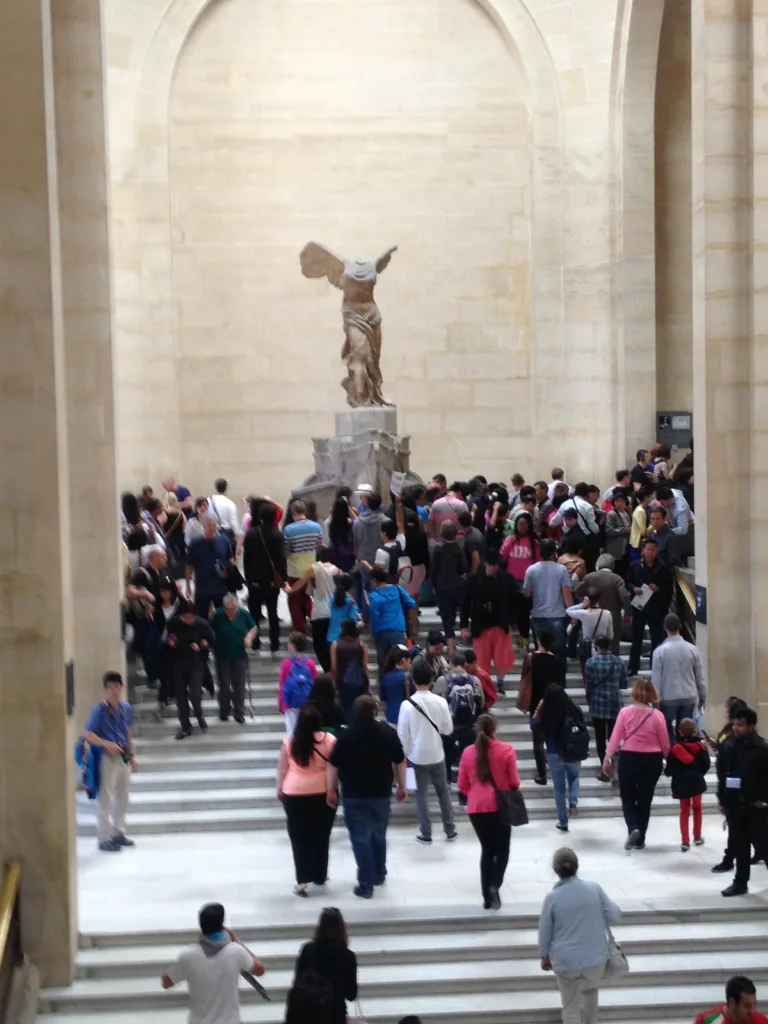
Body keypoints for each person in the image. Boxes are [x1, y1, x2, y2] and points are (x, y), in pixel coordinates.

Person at [327, 694, 407, 898]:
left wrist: (331, 789)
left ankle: (366, 883)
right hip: (380, 792)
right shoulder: (387, 732)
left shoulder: (346, 735)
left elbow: (333, 764)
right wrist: (402, 786)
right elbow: (399, 760)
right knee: (379, 834)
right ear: (374, 711)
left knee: (360, 837)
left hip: (354, 793)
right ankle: (379, 872)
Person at [538, 847, 621, 1024]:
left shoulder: (552, 898)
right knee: (591, 996)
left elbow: (545, 931)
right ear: (577, 866)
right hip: (595, 958)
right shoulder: (594, 888)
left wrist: (544, 955)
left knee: (570, 1006)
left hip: (566, 961)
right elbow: (614, 915)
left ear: (555, 869)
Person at [161, 902, 264, 1023]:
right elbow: (259, 970)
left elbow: (166, 983)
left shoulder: (188, 956)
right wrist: (237, 940)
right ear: (222, 924)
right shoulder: (236, 951)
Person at [457, 714, 520, 910]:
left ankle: (486, 897)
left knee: (487, 850)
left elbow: (462, 784)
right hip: (500, 806)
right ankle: (495, 885)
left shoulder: (467, 753)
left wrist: (476, 793)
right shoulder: (506, 750)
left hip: (476, 807)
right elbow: (514, 782)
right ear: (495, 729)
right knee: (502, 849)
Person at [277, 705, 338, 897]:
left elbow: (282, 769)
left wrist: (279, 789)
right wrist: (331, 790)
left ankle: (302, 880)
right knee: (322, 835)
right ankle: (320, 874)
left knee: (299, 838)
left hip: (294, 793)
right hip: (321, 792)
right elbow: (332, 768)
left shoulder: (289, 743)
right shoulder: (330, 741)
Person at [604, 676, 670, 849]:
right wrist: (667, 757)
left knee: (627, 797)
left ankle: (632, 828)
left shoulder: (625, 713)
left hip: (630, 757)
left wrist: (607, 758)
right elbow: (664, 742)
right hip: (652, 759)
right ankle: (641, 839)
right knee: (645, 799)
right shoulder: (658, 716)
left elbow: (615, 737)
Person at [397, 661, 457, 844]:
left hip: (415, 756)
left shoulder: (407, 705)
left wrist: (405, 757)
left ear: (413, 680)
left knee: (420, 794)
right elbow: (447, 730)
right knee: (443, 793)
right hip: (437, 753)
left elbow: (402, 735)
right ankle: (450, 829)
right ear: (431, 680)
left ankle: (426, 832)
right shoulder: (440, 702)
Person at [82, 672, 136, 852]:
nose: (113, 691)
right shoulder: (99, 710)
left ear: (121, 687)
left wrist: (132, 756)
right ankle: (104, 838)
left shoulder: (125, 707)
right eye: (110, 688)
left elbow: (128, 731)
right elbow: (87, 733)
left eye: (116, 687)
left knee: (123, 796)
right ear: (105, 689)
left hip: (123, 756)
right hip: (107, 756)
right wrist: (107, 744)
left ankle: (118, 832)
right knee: (106, 798)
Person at [717, 706, 768, 897]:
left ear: (751, 726)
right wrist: (722, 800)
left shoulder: (762, 748)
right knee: (740, 846)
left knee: (763, 846)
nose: (736, 728)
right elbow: (723, 775)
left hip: (756, 806)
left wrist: (764, 800)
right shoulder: (729, 746)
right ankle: (740, 883)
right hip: (734, 805)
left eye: (740, 725)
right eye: (734, 724)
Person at [531, 684, 588, 832]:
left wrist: (538, 708)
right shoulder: (574, 709)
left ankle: (563, 822)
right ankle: (574, 801)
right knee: (574, 778)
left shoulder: (547, 712)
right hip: (573, 750)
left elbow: (534, 724)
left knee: (559, 789)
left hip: (554, 752)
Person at [460, 553, 518, 696]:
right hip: (481, 626)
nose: (493, 568)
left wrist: (511, 620)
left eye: (495, 566)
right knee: (481, 659)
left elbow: (515, 601)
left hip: (500, 625)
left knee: (502, 659)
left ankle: (500, 682)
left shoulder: (506, 578)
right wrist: (463, 626)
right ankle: (483, 685)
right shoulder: (475, 579)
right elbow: (466, 603)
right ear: (486, 563)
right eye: (491, 565)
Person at [292, 908, 357, 1024]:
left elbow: (297, 982)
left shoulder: (307, 950)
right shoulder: (347, 956)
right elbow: (351, 994)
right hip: (334, 1015)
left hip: (307, 1013)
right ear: (342, 928)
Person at [710, 697, 751, 874]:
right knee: (737, 834)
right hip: (731, 792)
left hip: (748, 795)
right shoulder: (728, 738)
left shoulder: (757, 747)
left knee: (750, 836)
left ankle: (731, 861)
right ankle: (735, 871)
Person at [519, 630, 565, 785]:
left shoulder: (531, 658)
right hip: (553, 703)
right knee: (552, 738)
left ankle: (541, 774)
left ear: (538, 641)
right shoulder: (558, 661)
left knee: (537, 740)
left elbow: (524, 679)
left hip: (535, 703)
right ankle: (556, 769)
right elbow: (561, 685)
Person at [652, 612, 706, 741]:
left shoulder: (660, 651)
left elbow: (656, 680)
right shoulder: (692, 649)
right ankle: (684, 753)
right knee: (685, 730)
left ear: (664, 627)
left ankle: (672, 752)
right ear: (680, 627)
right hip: (689, 695)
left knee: (666, 728)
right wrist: (703, 696)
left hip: (668, 696)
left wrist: (655, 701)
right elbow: (700, 675)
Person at [167, 599, 216, 740]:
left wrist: (203, 644)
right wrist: (172, 643)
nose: (187, 620)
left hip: (196, 664)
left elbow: (212, 641)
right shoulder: (174, 623)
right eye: (184, 617)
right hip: (178, 664)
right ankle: (185, 726)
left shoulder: (202, 625)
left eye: (190, 617)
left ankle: (198, 713)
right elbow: (169, 640)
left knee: (195, 693)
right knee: (181, 698)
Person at [242, 501, 286, 659]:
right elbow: (282, 559)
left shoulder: (252, 533)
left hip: (255, 580)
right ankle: (275, 645)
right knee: (273, 613)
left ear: (260, 517)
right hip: (272, 581)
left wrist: (248, 578)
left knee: (254, 614)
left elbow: (247, 558)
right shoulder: (277, 534)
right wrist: (282, 579)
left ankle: (256, 644)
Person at [286, 548, 340, 673]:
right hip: (333, 612)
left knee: (319, 645)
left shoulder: (314, 569)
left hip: (319, 612)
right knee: (332, 644)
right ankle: (334, 670)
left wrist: (290, 589)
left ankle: (328, 671)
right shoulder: (337, 570)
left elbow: (300, 583)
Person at [626, 537, 672, 675]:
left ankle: (655, 667)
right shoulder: (634, 565)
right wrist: (634, 589)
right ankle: (633, 667)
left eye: (653, 550)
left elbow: (669, 588)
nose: (650, 552)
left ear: (657, 551)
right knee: (636, 638)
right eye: (648, 550)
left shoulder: (663, 568)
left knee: (656, 639)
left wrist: (658, 588)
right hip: (639, 607)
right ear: (643, 551)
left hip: (657, 608)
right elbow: (628, 582)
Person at [523, 538, 573, 667]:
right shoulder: (561, 570)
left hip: (538, 615)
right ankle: (559, 681)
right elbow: (566, 593)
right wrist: (572, 612)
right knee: (559, 653)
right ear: (554, 553)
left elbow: (527, 593)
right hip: (557, 615)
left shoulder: (531, 570)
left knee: (540, 653)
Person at [210, 594, 257, 724]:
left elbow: (253, 627)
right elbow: (210, 629)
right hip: (221, 654)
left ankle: (239, 711)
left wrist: (248, 638)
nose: (229, 612)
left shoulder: (243, 613)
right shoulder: (218, 614)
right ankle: (224, 710)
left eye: (232, 609)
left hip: (239, 654)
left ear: (236, 606)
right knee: (224, 684)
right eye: (227, 609)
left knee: (239, 685)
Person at [665, 717, 710, 852]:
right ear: (694, 731)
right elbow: (706, 765)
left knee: (684, 811)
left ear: (680, 731)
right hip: (696, 782)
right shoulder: (700, 747)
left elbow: (669, 770)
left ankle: (685, 841)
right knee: (697, 808)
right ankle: (697, 836)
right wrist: (698, 773)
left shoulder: (675, 749)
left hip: (681, 783)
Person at [585, 636, 627, 778]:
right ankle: (615, 766)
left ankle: (604, 768)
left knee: (600, 737)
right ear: (610, 646)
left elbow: (589, 685)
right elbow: (624, 684)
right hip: (615, 703)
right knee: (614, 737)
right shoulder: (618, 661)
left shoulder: (591, 662)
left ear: (597, 647)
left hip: (598, 703)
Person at [500, 511, 539, 649]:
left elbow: (538, 563)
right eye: (519, 524)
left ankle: (525, 640)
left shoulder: (534, 543)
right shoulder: (510, 540)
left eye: (524, 524)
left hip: (527, 583)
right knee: (513, 612)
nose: (522, 527)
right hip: (511, 582)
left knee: (524, 613)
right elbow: (501, 557)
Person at [577, 553, 628, 657]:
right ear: (612, 565)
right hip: (613, 614)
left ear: (598, 564)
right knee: (613, 642)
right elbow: (625, 597)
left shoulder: (589, 577)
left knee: (593, 642)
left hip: (592, 614)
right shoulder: (617, 579)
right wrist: (628, 612)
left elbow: (578, 591)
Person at [284, 500, 324, 631]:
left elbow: (286, 551)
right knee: (307, 597)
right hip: (311, 568)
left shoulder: (289, 529)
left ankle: (299, 628)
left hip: (294, 569)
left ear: (294, 513)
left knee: (294, 600)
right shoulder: (317, 527)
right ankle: (315, 622)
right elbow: (319, 545)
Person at [430, 520, 469, 652]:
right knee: (453, 614)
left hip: (442, 587)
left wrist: (434, 585)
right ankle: (453, 642)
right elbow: (463, 568)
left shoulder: (437, 550)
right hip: (458, 587)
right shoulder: (458, 548)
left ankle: (451, 646)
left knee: (446, 616)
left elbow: (434, 570)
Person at [185, 515, 234, 618]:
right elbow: (189, 564)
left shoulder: (223, 540)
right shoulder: (195, 543)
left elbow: (230, 559)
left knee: (222, 615)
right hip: (203, 587)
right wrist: (188, 583)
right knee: (202, 616)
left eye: (214, 525)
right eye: (209, 526)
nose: (212, 528)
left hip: (220, 586)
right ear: (203, 526)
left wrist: (228, 572)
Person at [368, 566, 416, 668]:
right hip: (398, 629)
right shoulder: (398, 589)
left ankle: (384, 680)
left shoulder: (374, 596)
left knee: (383, 661)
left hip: (381, 632)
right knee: (400, 659)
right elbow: (411, 603)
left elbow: (374, 617)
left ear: (374, 580)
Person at [351, 492, 388, 623]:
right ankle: (380, 618)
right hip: (381, 560)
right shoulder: (386, 522)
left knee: (366, 589)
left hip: (363, 558)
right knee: (381, 589)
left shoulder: (357, 522)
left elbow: (355, 543)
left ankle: (367, 617)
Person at [279, 632, 319, 736]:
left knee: (291, 732)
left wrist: (281, 703)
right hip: (306, 702)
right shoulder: (310, 663)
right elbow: (315, 683)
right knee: (305, 731)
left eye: (289, 643)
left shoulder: (286, 663)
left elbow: (282, 684)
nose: (287, 645)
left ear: (293, 646)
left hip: (290, 702)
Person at [330, 618, 369, 725]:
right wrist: (368, 685)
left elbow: (334, 667)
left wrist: (333, 685)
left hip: (342, 682)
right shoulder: (361, 644)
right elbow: (365, 666)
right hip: (359, 681)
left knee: (345, 708)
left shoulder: (335, 645)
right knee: (359, 707)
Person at [566, 590, 613, 678]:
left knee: (587, 676)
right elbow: (610, 634)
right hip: (602, 648)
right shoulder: (607, 613)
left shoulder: (584, 613)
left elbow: (568, 610)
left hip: (586, 648)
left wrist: (582, 605)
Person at [694, 975, 768, 1024]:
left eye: (754, 1004)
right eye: (746, 1006)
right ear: (732, 1003)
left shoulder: (761, 1021)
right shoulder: (707, 1021)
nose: (752, 1010)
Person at [379, 644, 412, 726]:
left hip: (391, 716)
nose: (410, 665)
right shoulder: (409, 677)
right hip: (406, 716)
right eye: (409, 661)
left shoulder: (385, 676)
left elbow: (383, 697)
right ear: (404, 660)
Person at [604, 490, 632, 578]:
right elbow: (609, 531)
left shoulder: (626, 513)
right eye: (617, 501)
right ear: (614, 502)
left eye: (622, 501)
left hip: (626, 545)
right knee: (617, 570)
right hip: (615, 548)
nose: (620, 503)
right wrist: (624, 530)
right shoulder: (611, 514)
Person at [327, 573, 359, 645]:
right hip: (346, 640)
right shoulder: (351, 602)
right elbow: (353, 622)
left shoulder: (332, 600)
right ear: (351, 587)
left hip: (331, 638)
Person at [327, 495, 356, 572]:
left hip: (336, 557)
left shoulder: (331, 525)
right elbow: (358, 521)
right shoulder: (350, 523)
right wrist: (348, 507)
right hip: (349, 557)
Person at [628, 483, 653, 561]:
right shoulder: (640, 511)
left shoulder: (640, 509)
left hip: (637, 543)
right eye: (650, 496)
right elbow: (643, 532)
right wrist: (653, 525)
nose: (651, 498)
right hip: (637, 544)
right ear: (646, 497)